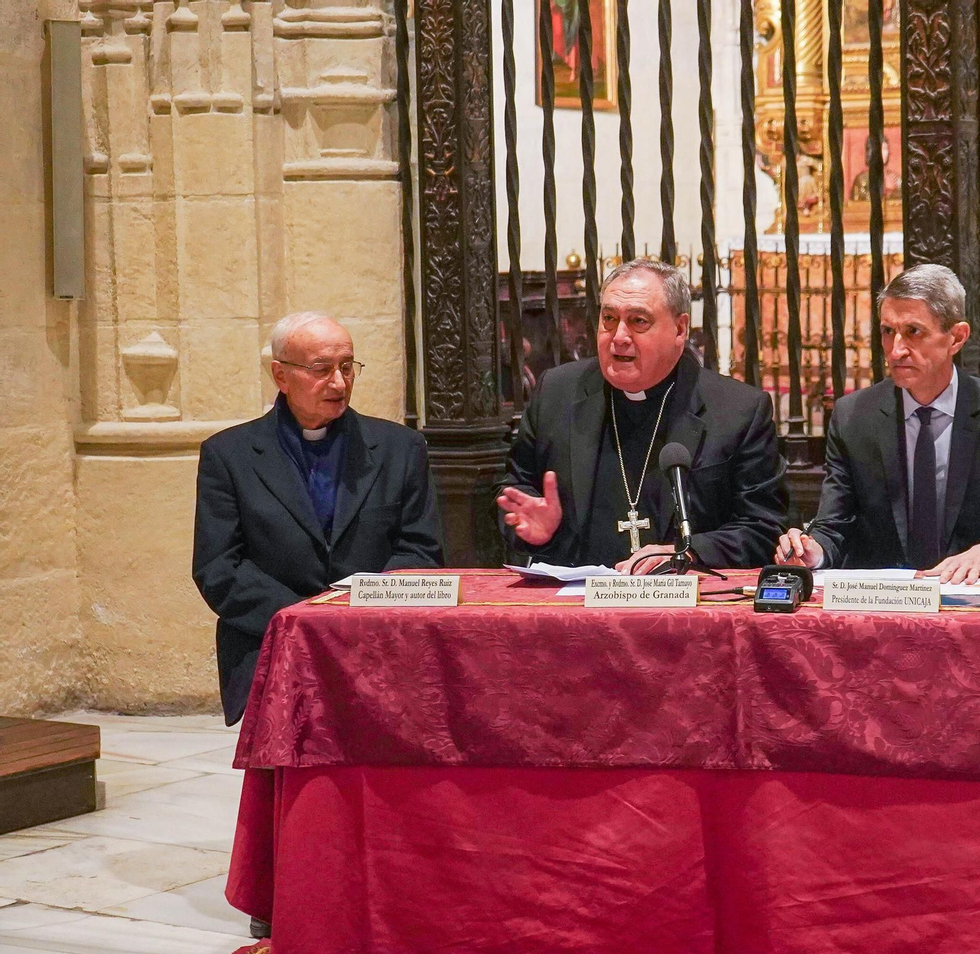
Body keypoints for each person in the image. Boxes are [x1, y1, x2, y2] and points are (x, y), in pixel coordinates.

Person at [193, 312, 444, 725]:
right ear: (281, 375)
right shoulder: (229, 455)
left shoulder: (400, 448)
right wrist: (307, 619)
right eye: (321, 369)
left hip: (377, 647)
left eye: (347, 367)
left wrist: (356, 613)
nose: (339, 383)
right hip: (272, 644)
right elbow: (219, 568)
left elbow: (421, 550)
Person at [498, 258, 786, 573]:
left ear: (679, 329)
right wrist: (536, 531)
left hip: (683, 599)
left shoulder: (737, 410)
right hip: (578, 597)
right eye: (609, 319)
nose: (619, 336)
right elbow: (514, 489)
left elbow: (765, 527)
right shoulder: (557, 394)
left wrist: (687, 553)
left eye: (638, 321)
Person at [775, 263, 980, 583]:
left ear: (957, 337)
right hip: (882, 600)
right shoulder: (854, 417)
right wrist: (813, 549)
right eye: (887, 332)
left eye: (913, 332)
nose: (896, 350)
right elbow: (834, 526)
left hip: (970, 594)